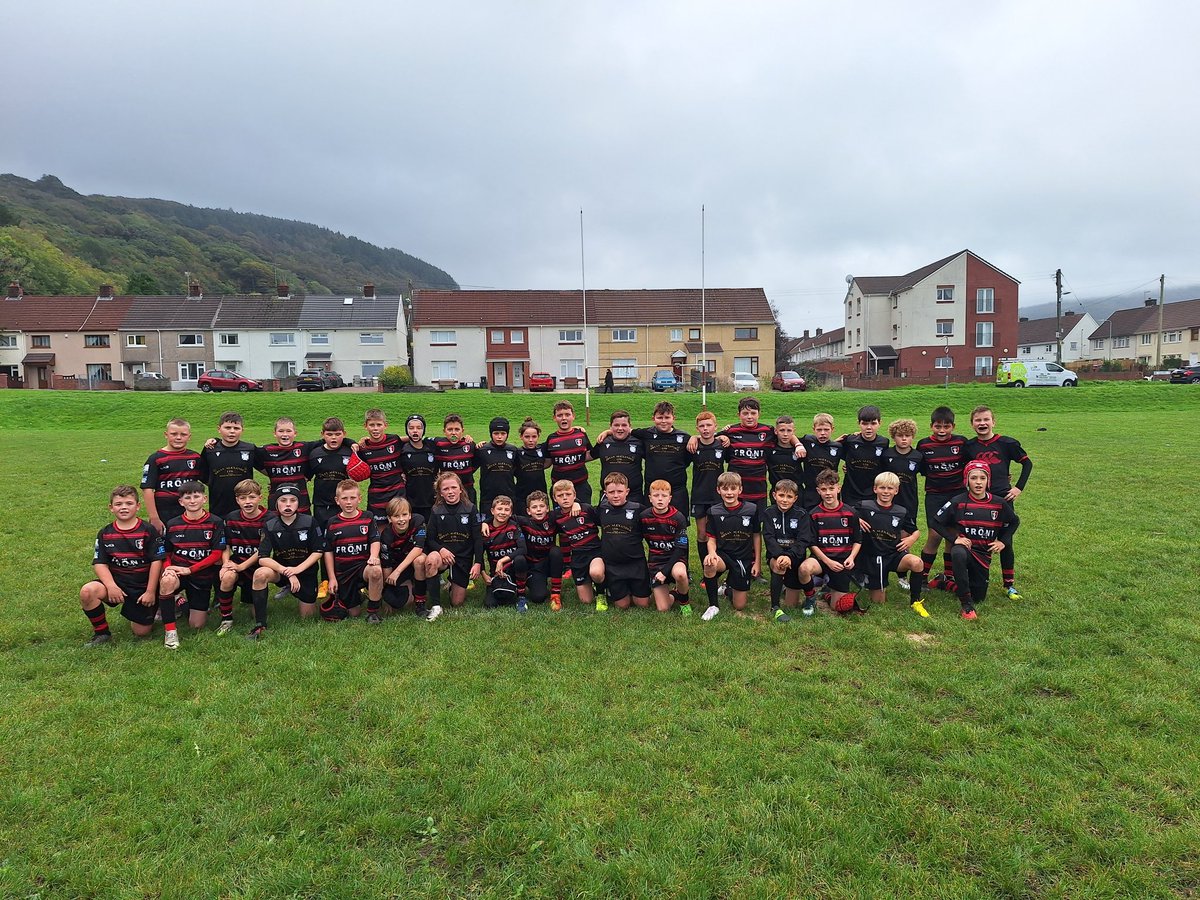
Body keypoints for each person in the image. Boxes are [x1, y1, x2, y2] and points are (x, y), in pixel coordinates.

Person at [931, 461, 1018, 620]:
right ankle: (966, 605)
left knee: (979, 596)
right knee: (957, 552)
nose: (978, 482)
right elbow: (935, 522)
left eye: (982, 478)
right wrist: (954, 538)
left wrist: (1003, 542)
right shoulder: (957, 501)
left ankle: (943, 582)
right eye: (973, 478)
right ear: (966, 480)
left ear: (988, 480)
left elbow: (1014, 521)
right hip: (966, 550)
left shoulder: (999, 503)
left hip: (983, 556)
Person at [79, 485, 165, 646]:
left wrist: (150, 591)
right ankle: (102, 633)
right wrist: (111, 586)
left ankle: (158, 606)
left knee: (141, 632)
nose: (124, 507)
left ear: (138, 506)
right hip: (118, 583)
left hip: (142, 587)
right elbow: (100, 562)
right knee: (87, 591)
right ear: (111, 508)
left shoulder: (148, 531)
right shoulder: (105, 533)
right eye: (118, 504)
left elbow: (156, 561)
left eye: (129, 503)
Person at [964, 405, 1032, 600]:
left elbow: (1027, 463)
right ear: (972, 424)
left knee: (1005, 541)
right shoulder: (969, 447)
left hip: (1002, 499)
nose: (982, 423)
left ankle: (1009, 585)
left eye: (986, 419)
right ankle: (971, 578)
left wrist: (1018, 487)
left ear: (993, 422)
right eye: (978, 420)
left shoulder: (1007, 443)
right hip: (978, 500)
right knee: (976, 540)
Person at [250, 484, 324, 638]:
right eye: (283, 500)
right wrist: (287, 572)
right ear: (276, 503)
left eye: (292, 500)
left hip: (305, 572)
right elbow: (263, 558)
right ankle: (260, 623)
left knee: (308, 617)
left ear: (299, 503)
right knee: (260, 573)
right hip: (281, 571)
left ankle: (299, 592)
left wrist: (297, 570)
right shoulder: (270, 525)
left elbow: (318, 552)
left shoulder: (310, 522)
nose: (288, 504)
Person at [157, 481, 226, 643]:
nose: (193, 501)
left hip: (200, 576)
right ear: (181, 502)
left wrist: (191, 569)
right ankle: (170, 632)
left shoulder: (215, 522)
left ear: (204, 499)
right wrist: (168, 568)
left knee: (196, 625)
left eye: (196, 496)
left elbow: (217, 554)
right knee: (167, 580)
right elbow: (165, 553)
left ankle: (179, 600)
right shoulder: (173, 524)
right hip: (178, 573)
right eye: (188, 497)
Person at [856, 472, 928, 617]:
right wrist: (855, 519)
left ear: (896, 490)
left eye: (890, 488)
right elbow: (844, 512)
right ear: (875, 489)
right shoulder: (864, 506)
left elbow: (916, 531)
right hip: (872, 558)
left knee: (917, 563)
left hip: (893, 555)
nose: (886, 492)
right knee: (878, 602)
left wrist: (912, 539)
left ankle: (915, 601)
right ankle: (863, 577)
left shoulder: (901, 511)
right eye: (882, 488)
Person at [916, 406, 968, 592]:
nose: (942, 430)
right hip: (935, 495)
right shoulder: (923, 445)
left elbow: (973, 463)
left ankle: (949, 576)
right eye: (938, 426)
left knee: (953, 535)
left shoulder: (962, 443)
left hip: (957, 495)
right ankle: (921, 577)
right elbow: (920, 469)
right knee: (935, 535)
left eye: (946, 426)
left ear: (953, 426)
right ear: (931, 426)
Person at [798, 470, 863, 616]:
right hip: (822, 559)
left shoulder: (851, 513)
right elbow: (812, 544)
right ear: (818, 491)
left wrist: (851, 558)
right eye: (823, 489)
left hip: (841, 561)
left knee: (838, 607)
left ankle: (827, 594)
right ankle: (810, 598)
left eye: (831, 488)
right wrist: (827, 562)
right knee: (804, 569)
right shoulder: (813, 514)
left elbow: (858, 540)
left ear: (838, 488)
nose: (828, 493)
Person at [701, 472, 761, 620]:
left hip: (743, 558)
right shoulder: (713, 511)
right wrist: (712, 553)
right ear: (718, 490)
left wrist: (757, 562)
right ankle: (713, 606)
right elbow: (711, 537)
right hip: (723, 556)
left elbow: (756, 535)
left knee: (739, 605)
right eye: (725, 489)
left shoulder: (751, 509)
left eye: (733, 489)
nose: (729, 493)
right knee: (709, 564)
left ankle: (728, 589)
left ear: (740, 490)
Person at [321, 480, 383, 621]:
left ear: (359, 499)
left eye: (352, 498)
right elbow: (328, 551)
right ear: (337, 500)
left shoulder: (367, 517)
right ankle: (359, 597)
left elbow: (375, 539)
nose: (349, 502)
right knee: (353, 613)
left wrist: (374, 556)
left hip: (362, 567)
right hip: (344, 572)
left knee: (376, 571)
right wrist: (331, 578)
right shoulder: (332, 523)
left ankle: (373, 612)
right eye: (344, 498)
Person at [424, 472, 484, 609]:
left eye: (453, 487)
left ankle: (453, 583)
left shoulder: (470, 509)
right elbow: (430, 539)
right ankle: (436, 606)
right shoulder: (436, 510)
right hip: (442, 556)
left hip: (462, 558)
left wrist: (478, 563)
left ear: (460, 489)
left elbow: (477, 539)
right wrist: (441, 550)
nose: (450, 492)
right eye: (445, 489)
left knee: (456, 603)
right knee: (431, 560)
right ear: (440, 492)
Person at [215, 478, 268, 634]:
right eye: (243, 498)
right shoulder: (231, 518)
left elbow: (263, 550)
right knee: (227, 577)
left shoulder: (269, 518)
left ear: (260, 497)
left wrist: (242, 566)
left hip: (259, 564)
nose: (247, 502)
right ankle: (226, 618)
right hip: (237, 561)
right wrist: (226, 564)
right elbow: (226, 545)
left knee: (255, 614)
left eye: (252, 497)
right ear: (237, 500)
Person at [377, 496, 440, 621]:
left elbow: (418, 549)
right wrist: (386, 597)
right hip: (398, 566)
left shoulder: (418, 521)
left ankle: (420, 604)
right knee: (400, 602)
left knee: (420, 560)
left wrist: (397, 572)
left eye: (404, 514)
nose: (401, 519)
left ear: (410, 515)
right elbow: (387, 566)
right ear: (390, 519)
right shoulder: (387, 536)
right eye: (396, 516)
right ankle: (410, 588)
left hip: (411, 564)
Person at [594, 472, 651, 610]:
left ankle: (637, 588)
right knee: (622, 605)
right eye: (611, 492)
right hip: (613, 565)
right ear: (605, 493)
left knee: (642, 604)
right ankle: (607, 589)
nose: (616, 495)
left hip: (635, 562)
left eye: (620, 491)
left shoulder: (638, 509)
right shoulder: (601, 509)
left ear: (627, 491)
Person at [141, 417, 206, 535]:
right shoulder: (155, 458)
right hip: (164, 511)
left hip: (190, 509)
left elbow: (207, 479)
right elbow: (147, 489)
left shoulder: (195, 458)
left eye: (183, 434)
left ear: (189, 436)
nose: (178, 437)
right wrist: (154, 517)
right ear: (166, 435)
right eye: (174, 434)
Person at [761, 479, 812, 623]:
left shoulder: (801, 514)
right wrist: (780, 555)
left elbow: (803, 540)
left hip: (795, 558)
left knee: (792, 603)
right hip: (776, 557)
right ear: (774, 495)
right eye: (781, 495)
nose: (784, 500)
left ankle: (802, 592)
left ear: (795, 498)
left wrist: (790, 556)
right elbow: (768, 537)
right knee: (779, 565)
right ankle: (775, 607)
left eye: (789, 497)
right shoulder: (769, 513)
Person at [549, 479, 602, 608]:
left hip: (595, 552)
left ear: (575, 495)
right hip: (578, 556)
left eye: (568, 494)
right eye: (560, 496)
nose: (565, 498)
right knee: (586, 601)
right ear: (555, 499)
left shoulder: (587, 509)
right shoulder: (555, 516)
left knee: (596, 573)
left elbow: (603, 522)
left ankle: (601, 593)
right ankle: (591, 586)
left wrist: (578, 503)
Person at [639, 479, 690, 614]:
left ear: (670, 498)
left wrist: (665, 571)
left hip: (675, 559)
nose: (660, 499)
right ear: (650, 498)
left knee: (680, 574)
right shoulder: (644, 517)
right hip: (656, 562)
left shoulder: (678, 517)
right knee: (663, 608)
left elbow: (681, 548)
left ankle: (684, 601)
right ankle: (675, 594)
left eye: (664, 496)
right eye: (656, 496)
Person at [689, 410, 725, 578]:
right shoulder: (693, 446)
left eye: (709, 425)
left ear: (715, 427)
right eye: (702, 426)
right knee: (703, 534)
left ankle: (719, 568)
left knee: (718, 534)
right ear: (697, 428)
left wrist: (725, 437)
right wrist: (692, 438)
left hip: (719, 497)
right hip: (699, 496)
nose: (705, 429)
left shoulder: (722, 445)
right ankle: (706, 572)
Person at [201, 411, 257, 519]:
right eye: (227, 427)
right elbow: (201, 473)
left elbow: (266, 467)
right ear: (219, 429)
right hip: (218, 506)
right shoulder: (210, 449)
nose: (232, 431)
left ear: (242, 430)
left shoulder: (250, 449)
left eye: (236, 428)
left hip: (245, 506)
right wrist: (215, 483)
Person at [354, 408, 406, 522]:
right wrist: (355, 444)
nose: (375, 428)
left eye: (379, 424)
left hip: (397, 492)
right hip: (377, 495)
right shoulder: (363, 448)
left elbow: (412, 438)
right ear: (365, 426)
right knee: (379, 529)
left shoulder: (394, 440)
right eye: (372, 425)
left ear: (385, 425)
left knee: (400, 525)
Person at [516, 490, 564, 610]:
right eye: (534, 507)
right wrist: (485, 523)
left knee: (556, 551)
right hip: (533, 566)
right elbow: (502, 516)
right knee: (538, 597)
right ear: (528, 511)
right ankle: (530, 581)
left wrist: (576, 503)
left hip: (548, 563)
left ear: (547, 508)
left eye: (542, 506)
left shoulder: (553, 518)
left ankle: (555, 594)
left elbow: (566, 506)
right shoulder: (523, 521)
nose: (538, 510)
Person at [255, 417, 312, 514]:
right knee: (276, 527)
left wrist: (308, 476)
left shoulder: (303, 447)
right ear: (275, 433)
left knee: (303, 525)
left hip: (301, 503)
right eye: (281, 431)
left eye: (288, 431)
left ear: (295, 433)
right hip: (276, 503)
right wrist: (271, 474)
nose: (285, 434)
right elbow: (250, 454)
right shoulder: (266, 450)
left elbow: (324, 445)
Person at [482, 495, 528, 611]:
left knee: (520, 559)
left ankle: (521, 595)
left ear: (511, 512)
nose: (503, 513)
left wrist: (502, 561)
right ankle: (500, 587)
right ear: (492, 511)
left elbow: (523, 549)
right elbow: (478, 555)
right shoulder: (485, 530)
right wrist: (484, 574)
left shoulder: (514, 526)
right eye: (499, 509)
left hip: (512, 569)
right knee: (490, 604)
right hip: (496, 574)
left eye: (507, 510)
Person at [838, 405, 890, 507]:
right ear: (859, 423)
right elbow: (829, 449)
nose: (869, 427)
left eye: (873, 423)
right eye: (864, 424)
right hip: (850, 493)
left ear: (880, 423)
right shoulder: (850, 440)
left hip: (873, 493)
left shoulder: (884, 443)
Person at [543, 400, 593, 503]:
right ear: (554, 418)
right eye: (560, 415)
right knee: (562, 518)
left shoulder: (581, 435)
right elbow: (547, 462)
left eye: (567, 414)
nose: (564, 418)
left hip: (580, 486)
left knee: (584, 516)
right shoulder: (551, 439)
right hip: (559, 488)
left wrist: (607, 433)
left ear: (573, 416)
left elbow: (590, 454)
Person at [592, 410, 646, 504]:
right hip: (609, 495)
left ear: (630, 426)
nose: (620, 428)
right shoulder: (603, 442)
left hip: (634, 495)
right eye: (616, 425)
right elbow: (588, 456)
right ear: (610, 426)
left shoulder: (639, 442)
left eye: (624, 425)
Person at [793, 412, 841, 510]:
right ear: (813, 429)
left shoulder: (838, 447)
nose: (822, 433)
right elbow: (791, 436)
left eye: (826, 430)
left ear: (832, 429)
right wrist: (798, 445)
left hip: (830, 491)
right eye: (819, 430)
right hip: (811, 491)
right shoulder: (807, 441)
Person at [399, 414, 439, 526]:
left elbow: (450, 440)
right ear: (406, 430)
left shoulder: (432, 446)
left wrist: (466, 438)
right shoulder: (401, 449)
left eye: (419, 428)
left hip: (432, 499)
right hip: (411, 501)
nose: (415, 431)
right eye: (411, 428)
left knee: (431, 532)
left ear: (424, 430)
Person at [433, 414, 479, 505]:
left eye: (457, 429)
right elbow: (419, 440)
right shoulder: (438, 443)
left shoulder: (469, 444)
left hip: (467, 489)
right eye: (450, 429)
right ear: (444, 431)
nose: (453, 433)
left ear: (462, 430)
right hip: (447, 491)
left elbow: (476, 462)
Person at [475, 417, 519, 513]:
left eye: (503, 433)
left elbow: (519, 472)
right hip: (488, 499)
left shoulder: (513, 450)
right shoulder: (482, 450)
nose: (499, 437)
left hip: (509, 497)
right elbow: (471, 468)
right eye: (496, 433)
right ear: (491, 434)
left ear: (507, 434)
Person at [514, 418, 549, 512]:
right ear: (521, 436)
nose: (531, 440)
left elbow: (557, 439)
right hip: (522, 496)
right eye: (527, 437)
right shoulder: (516, 453)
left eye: (534, 437)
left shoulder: (542, 449)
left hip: (541, 493)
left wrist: (576, 428)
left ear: (538, 436)